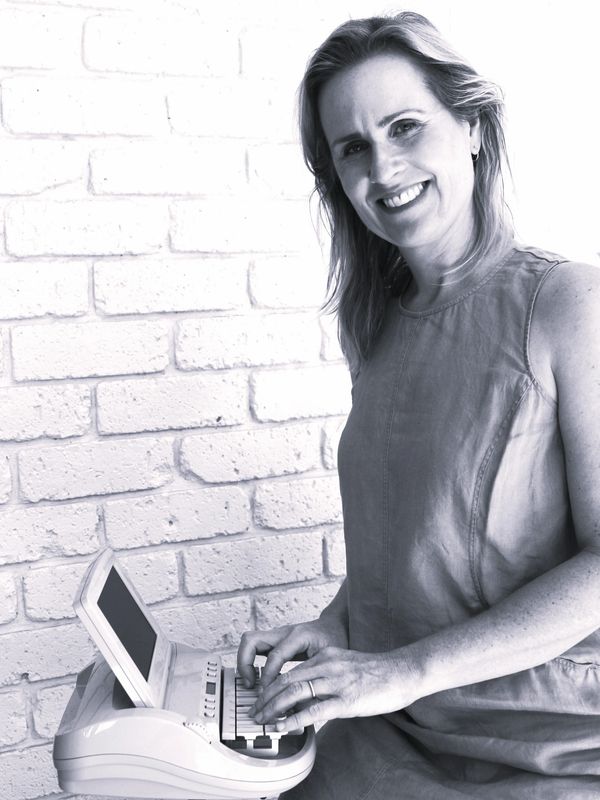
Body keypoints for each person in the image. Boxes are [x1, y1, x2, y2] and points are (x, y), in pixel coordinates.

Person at [237, 12, 600, 799]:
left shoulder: (569, 301)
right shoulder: (378, 325)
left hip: (545, 747)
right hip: (393, 723)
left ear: (469, 125)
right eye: (352, 148)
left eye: (406, 126)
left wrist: (404, 671)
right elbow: (410, 543)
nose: (384, 166)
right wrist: (335, 626)